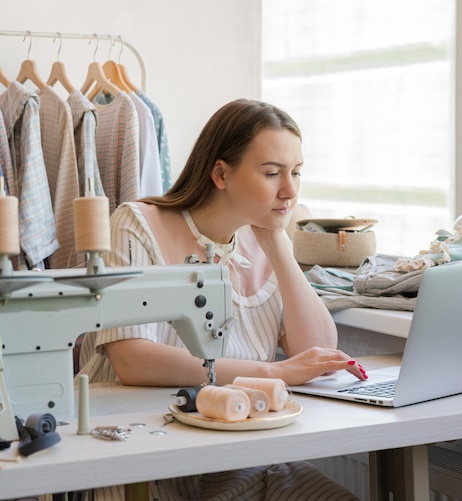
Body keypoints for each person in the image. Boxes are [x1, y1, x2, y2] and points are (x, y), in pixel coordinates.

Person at [78, 98, 367, 500]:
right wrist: (273, 373)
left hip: (238, 456)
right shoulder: (136, 225)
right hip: (143, 458)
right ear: (220, 174)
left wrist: (277, 244)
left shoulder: (262, 240)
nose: (290, 190)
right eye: (272, 173)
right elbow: (132, 360)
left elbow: (316, 351)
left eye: (296, 173)